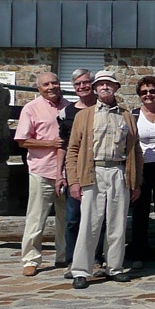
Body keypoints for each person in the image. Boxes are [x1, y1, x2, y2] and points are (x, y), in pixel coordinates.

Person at [64, 71, 143, 289]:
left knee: (117, 223)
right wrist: (74, 181)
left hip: (119, 172)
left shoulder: (126, 116)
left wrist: (136, 182)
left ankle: (114, 267)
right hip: (93, 172)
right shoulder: (84, 116)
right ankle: (81, 270)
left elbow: (136, 151)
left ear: (116, 87)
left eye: (109, 83)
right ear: (95, 89)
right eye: (101, 84)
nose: (105, 87)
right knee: (89, 223)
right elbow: (73, 150)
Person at [16, 71, 70, 276]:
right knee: (36, 218)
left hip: (67, 172)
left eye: (54, 83)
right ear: (39, 88)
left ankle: (64, 256)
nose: (51, 87)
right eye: (46, 84)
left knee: (67, 218)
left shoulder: (69, 107)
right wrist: (50, 144)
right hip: (42, 170)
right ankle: (30, 260)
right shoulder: (31, 108)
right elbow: (22, 140)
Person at [58, 69, 96, 278]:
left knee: (99, 218)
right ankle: (72, 260)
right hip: (76, 171)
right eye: (78, 84)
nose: (82, 87)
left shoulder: (104, 107)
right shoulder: (67, 113)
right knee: (73, 218)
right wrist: (60, 174)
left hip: (99, 170)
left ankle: (96, 258)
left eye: (86, 82)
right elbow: (63, 146)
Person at [127, 76, 155, 268]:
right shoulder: (134, 116)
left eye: (152, 91)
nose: (148, 95)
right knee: (140, 211)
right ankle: (139, 252)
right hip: (142, 167)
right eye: (144, 92)